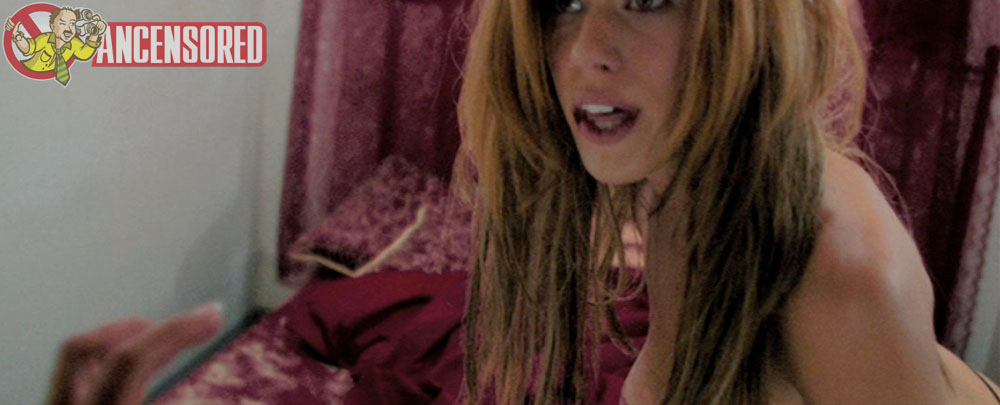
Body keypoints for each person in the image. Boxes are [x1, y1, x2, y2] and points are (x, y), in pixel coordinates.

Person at [43, 0, 1000, 404]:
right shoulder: (678, 193)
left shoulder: (837, 268)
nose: (587, 50)